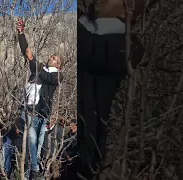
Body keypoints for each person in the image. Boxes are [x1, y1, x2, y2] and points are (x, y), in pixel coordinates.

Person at [77, 0, 145, 179]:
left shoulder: (129, 47)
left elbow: (89, 47)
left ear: (128, 8)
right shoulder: (82, 27)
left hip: (85, 157)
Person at [16, 20, 64, 180]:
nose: (51, 57)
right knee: (31, 141)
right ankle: (34, 170)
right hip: (30, 111)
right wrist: (21, 34)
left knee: (38, 146)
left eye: (54, 57)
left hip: (43, 115)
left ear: (59, 64)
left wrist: (33, 61)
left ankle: (37, 171)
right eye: (51, 56)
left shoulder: (57, 75)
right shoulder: (39, 68)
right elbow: (26, 52)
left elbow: (47, 77)